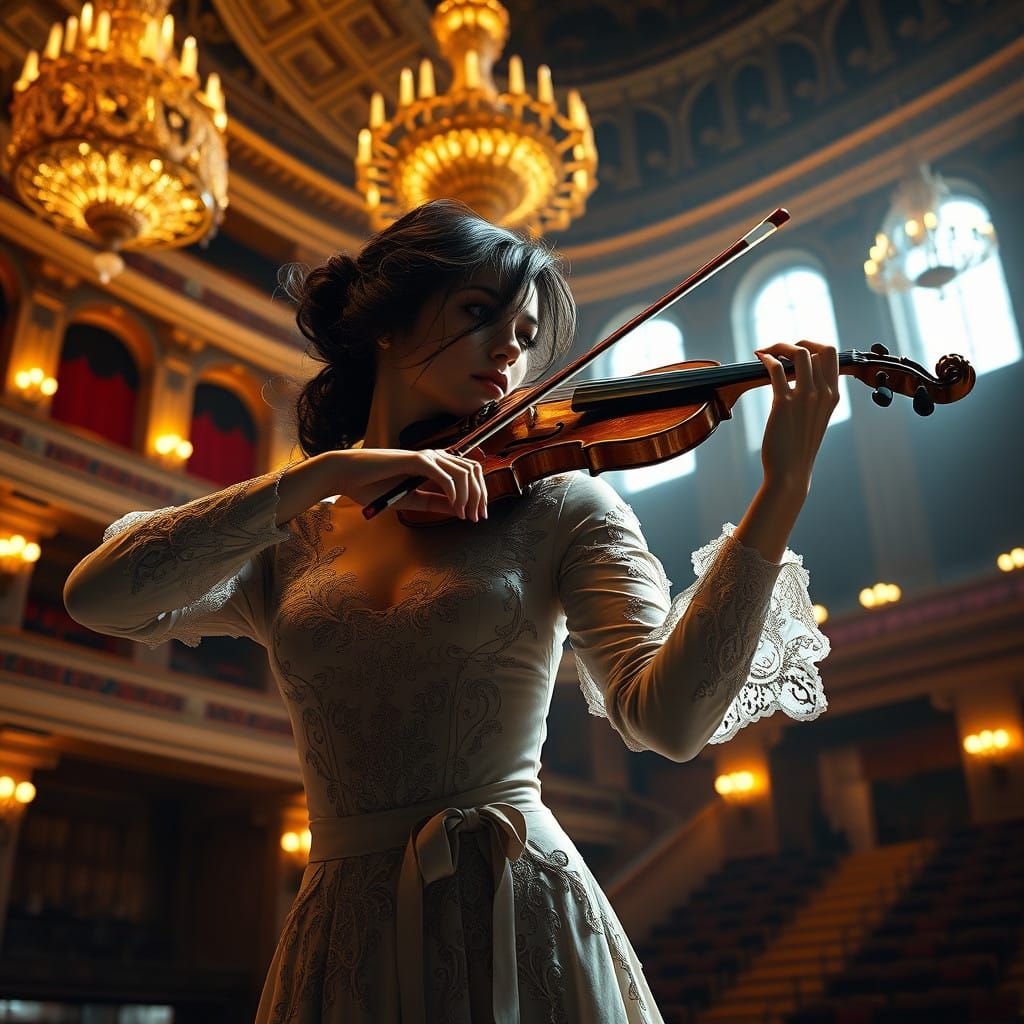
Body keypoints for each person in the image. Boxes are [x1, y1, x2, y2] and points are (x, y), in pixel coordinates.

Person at [63, 198, 833, 1024]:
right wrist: (318, 479)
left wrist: (781, 490)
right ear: (388, 322)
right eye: (479, 312)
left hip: (520, 912)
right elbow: (97, 596)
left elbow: (669, 722)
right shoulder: (289, 533)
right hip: (344, 926)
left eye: (528, 332)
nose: (512, 348)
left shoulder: (563, 502)